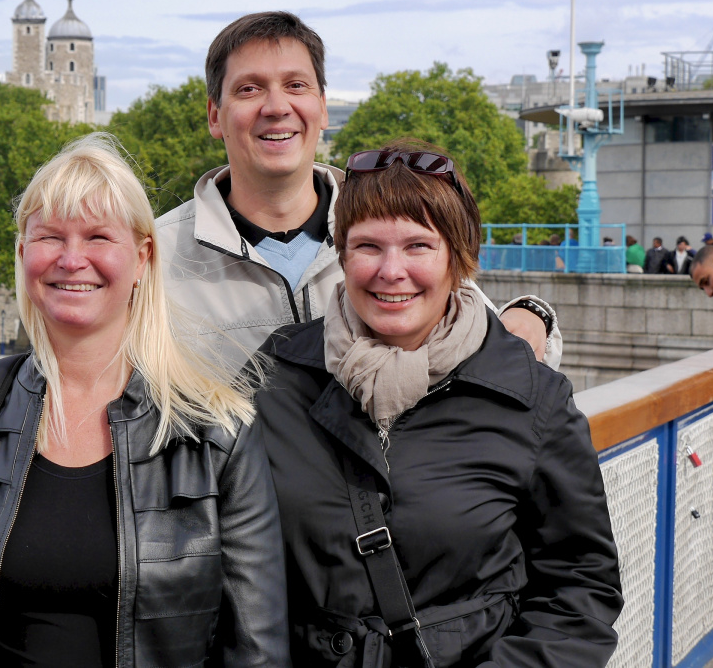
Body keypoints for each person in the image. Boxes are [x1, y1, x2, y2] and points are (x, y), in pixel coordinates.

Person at [0, 134, 288, 668]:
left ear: (142, 257)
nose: (71, 259)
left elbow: (257, 651)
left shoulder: (218, 431)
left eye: (98, 237)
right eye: (50, 237)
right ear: (23, 254)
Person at [251, 140, 622, 666]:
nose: (391, 270)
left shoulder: (530, 398)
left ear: (458, 257)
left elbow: (580, 588)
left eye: (418, 246)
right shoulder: (277, 376)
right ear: (342, 255)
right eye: (368, 246)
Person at [155, 11, 560, 371]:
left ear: (323, 108)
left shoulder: (385, 225)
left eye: (296, 86)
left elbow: (475, 323)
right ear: (214, 115)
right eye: (249, 89)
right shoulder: (155, 257)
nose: (277, 106)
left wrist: (532, 313)